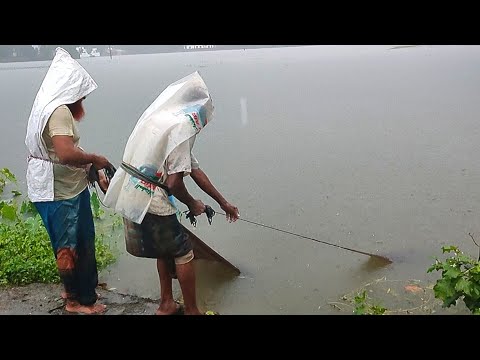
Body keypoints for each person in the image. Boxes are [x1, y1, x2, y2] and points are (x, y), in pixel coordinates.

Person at [104, 71, 239, 315]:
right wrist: (192, 203)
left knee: (162, 248)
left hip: (131, 190)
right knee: (183, 252)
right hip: (151, 197)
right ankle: (191, 310)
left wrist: (223, 203)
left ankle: (166, 303)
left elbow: (194, 170)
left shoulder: (162, 120)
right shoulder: (181, 128)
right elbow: (176, 183)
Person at [25, 47, 111, 314]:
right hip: (60, 192)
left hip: (59, 187)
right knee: (70, 246)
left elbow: (58, 152)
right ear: (70, 90)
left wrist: (91, 167)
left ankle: (77, 289)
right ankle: (76, 302)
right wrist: (96, 158)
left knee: (75, 241)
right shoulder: (60, 111)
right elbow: (64, 152)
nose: (83, 97)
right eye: (81, 92)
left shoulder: (47, 106)